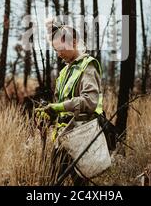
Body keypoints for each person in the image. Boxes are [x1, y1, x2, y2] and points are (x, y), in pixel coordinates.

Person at [35, 18, 104, 186]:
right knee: (50, 180)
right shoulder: (64, 72)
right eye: (55, 49)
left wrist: (56, 107)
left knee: (80, 184)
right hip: (62, 138)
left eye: (60, 48)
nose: (58, 53)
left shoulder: (88, 66)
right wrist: (47, 116)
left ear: (73, 42)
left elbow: (90, 102)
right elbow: (60, 106)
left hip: (81, 136)